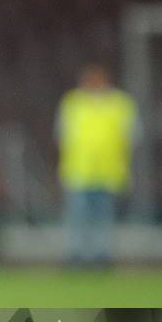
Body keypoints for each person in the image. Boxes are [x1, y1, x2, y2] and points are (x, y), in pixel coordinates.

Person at [56, 63, 139, 266]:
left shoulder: (119, 104)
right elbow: (61, 134)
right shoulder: (73, 103)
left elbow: (132, 135)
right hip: (79, 170)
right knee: (78, 218)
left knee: (103, 219)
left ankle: (102, 257)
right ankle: (78, 257)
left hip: (108, 171)